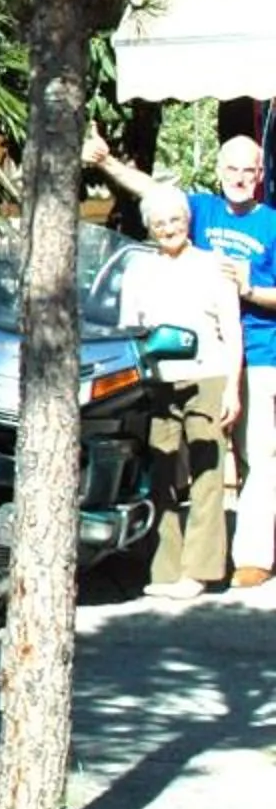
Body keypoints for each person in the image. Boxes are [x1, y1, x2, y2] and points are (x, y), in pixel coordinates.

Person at [88, 129, 274, 592]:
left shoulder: (271, 222)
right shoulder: (202, 211)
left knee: (256, 455)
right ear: (218, 171)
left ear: (261, 175)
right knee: (173, 462)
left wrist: (252, 290)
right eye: (231, 169)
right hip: (187, 359)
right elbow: (153, 192)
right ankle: (175, 562)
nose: (239, 177)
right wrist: (106, 163)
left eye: (248, 170)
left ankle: (251, 556)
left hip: (259, 351)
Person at [117, 184, 243, 599]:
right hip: (158, 381)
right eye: (159, 222)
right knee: (161, 472)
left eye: (175, 219)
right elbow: (127, 327)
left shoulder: (214, 265)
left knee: (208, 472)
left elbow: (232, 330)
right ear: (149, 228)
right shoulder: (139, 269)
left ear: (187, 221)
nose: (168, 228)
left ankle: (200, 570)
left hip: (207, 375)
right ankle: (165, 568)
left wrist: (232, 390)